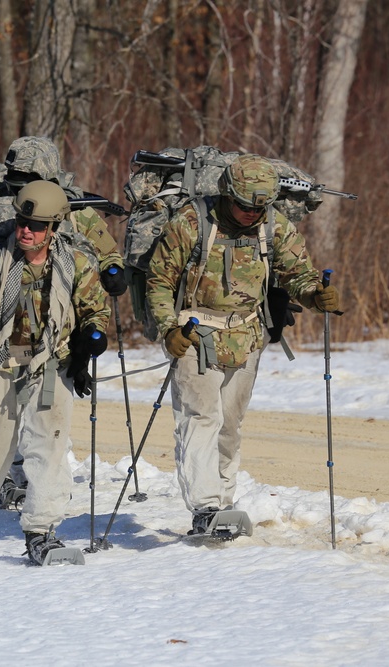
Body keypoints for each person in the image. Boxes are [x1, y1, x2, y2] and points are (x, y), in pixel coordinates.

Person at [146, 153, 341, 535]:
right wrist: (169, 328)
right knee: (200, 419)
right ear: (226, 194)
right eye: (245, 205)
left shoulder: (273, 225)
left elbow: (295, 272)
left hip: (247, 336)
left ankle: (224, 502)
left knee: (230, 425)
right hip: (195, 334)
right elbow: (159, 281)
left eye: (260, 206)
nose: (253, 213)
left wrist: (314, 294)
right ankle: (205, 508)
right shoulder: (190, 223)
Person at [0, 180, 110, 565]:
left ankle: (41, 531)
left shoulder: (75, 263)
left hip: (51, 367)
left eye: (37, 225)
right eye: (23, 221)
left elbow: (95, 309)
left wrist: (93, 337)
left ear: (53, 228)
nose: (27, 230)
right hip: (2, 364)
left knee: (49, 450)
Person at [0, 135, 126, 504]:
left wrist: (113, 271)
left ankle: (37, 487)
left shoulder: (76, 211)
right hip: (6, 327)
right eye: (16, 179)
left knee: (46, 416)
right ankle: (4, 476)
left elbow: (107, 250)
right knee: (3, 410)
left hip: (56, 330)